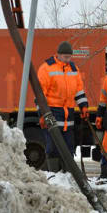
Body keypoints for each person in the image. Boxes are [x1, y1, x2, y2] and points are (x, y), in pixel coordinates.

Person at [37, 41, 89, 172]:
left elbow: (79, 90)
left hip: (68, 113)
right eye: (65, 57)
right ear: (58, 55)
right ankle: (54, 174)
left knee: (68, 146)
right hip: (50, 111)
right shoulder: (46, 68)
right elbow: (40, 95)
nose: (67, 59)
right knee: (52, 145)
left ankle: (68, 174)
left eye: (69, 57)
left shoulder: (73, 68)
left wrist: (83, 106)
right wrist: (42, 114)